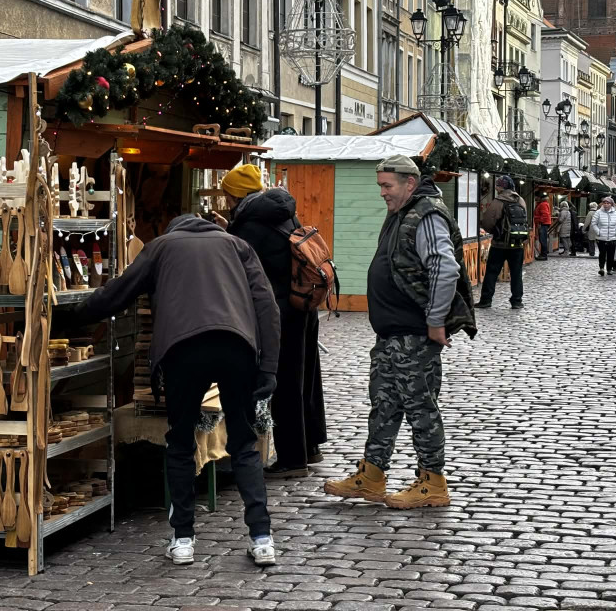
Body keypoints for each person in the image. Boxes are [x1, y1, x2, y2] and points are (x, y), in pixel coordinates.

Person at [68, 213, 281, 566]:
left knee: (180, 442)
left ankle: (183, 540)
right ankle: (262, 538)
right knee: (243, 442)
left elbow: (115, 295)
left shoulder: (161, 247)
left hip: (183, 350)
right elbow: (267, 307)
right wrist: (269, 366)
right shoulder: (237, 245)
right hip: (236, 347)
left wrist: (70, 314)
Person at [324, 155, 477, 509]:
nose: (382, 193)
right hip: (392, 334)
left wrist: (436, 322)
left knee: (420, 407)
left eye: (386, 185)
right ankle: (372, 476)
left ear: (409, 183)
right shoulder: (403, 213)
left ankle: (433, 481)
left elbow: (444, 268)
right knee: (384, 405)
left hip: (414, 334)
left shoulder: (427, 214)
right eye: (380, 185)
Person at [217, 163, 327, 479]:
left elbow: (238, 266)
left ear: (236, 196)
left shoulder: (249, 226)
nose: (225, 200)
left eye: (227, 195)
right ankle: (310, 446)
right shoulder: (279, 212)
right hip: (302, 305)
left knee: (284, 384)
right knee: (306, 379)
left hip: (279, 313)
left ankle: (293, 461)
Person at [474, 175, 527, 309]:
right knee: (516, 273)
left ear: (501, 187)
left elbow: (488, 222)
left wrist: (495, 232)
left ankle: (486, 300)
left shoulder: (497, 202)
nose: (496, 188)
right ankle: (517, 301)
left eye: (497, 185)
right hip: (517, 243)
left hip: (500, 244)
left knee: (492, 272)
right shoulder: (520, 200)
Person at [589, 197, 616, 276]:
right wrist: (598, 232)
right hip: (601, 237)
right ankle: (601, 268)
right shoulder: (598, 212)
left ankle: (609, 269)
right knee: (602, 253)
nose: (606, 205)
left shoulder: (615, 213)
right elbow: (593, 223)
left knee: (611, 254)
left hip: (613, 237)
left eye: (608, 203)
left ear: (611, 204)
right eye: (604, 203)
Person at [533, 194, 552, 260]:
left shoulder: (542, 204)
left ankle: (544, 255)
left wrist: (540, 222)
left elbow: (545, 214)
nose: (535, 198)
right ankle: (543, 254)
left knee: (542, 239)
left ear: (539, 197)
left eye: (536, 196)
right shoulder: (542, 204)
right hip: (544, 223)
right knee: (542, 239)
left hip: (543, 223)